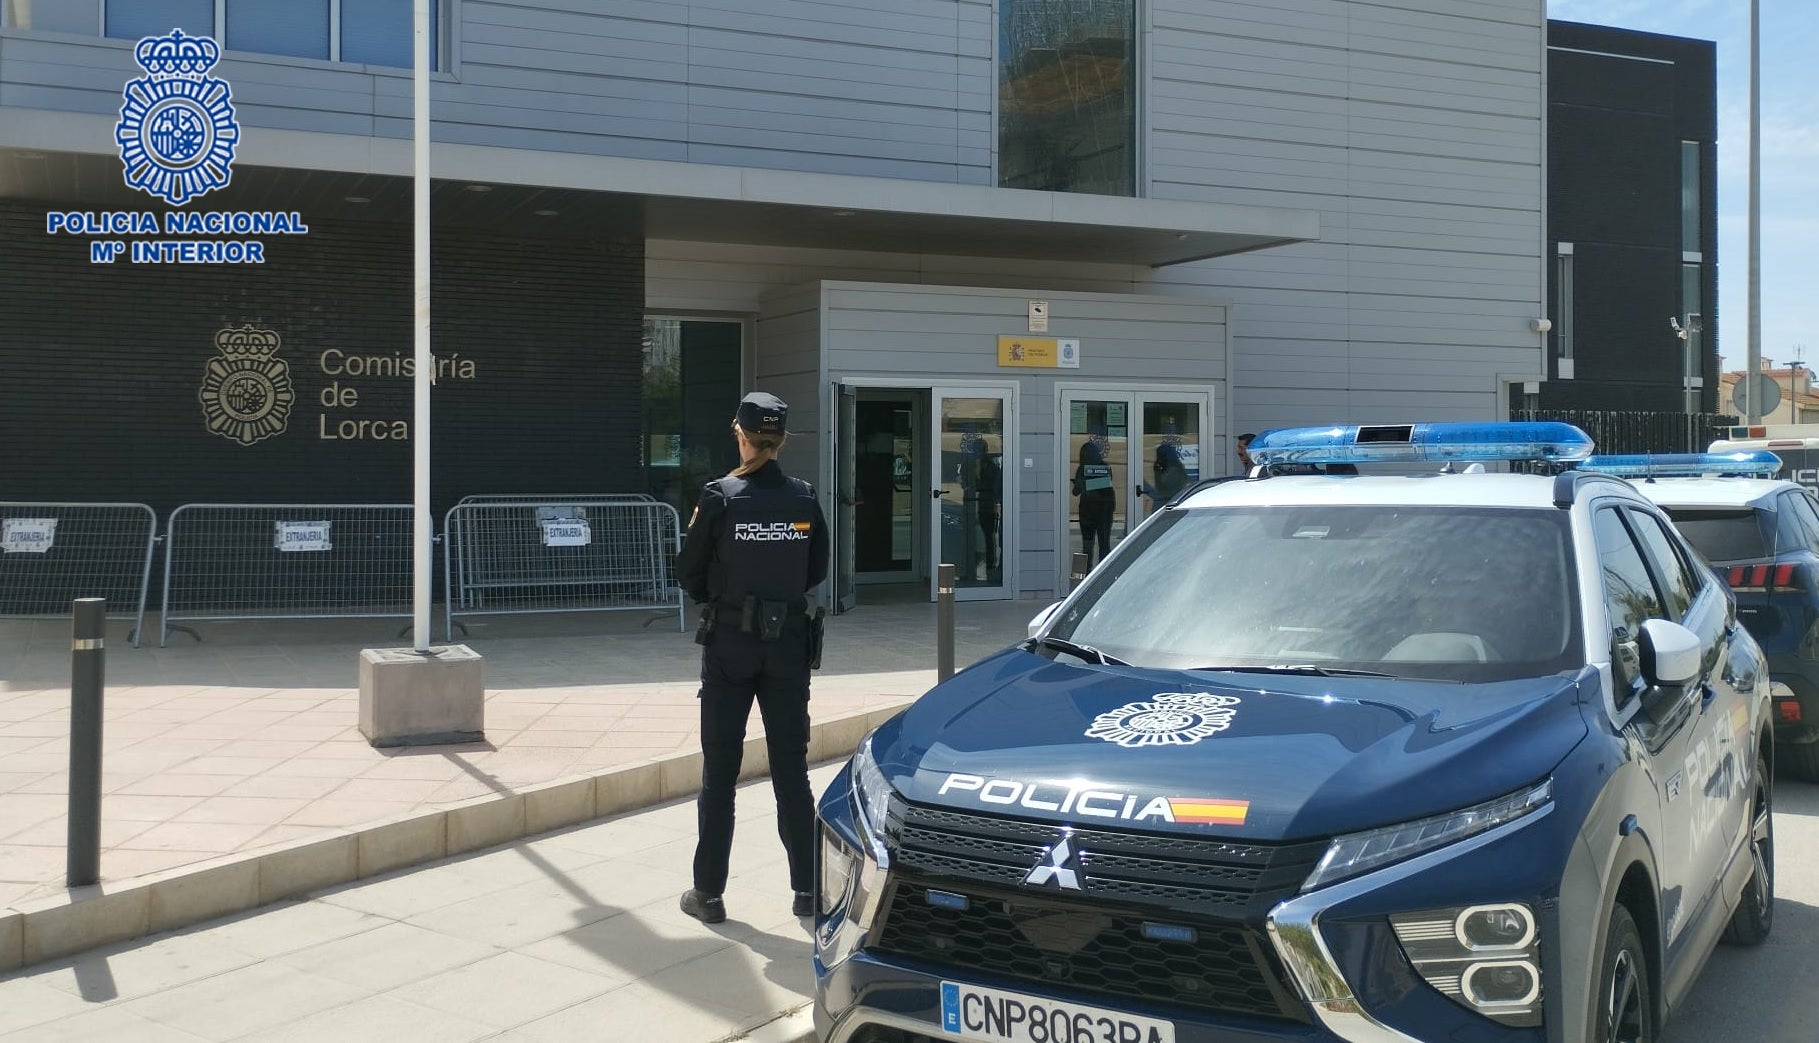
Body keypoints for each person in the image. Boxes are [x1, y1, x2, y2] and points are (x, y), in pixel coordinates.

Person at [674, 391, 830, 925]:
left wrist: (722, 597)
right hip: (787, 644)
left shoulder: (721, 496)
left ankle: (708, 894)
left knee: (720, 773)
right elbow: (816, 570)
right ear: (781, 440)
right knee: (791, 770)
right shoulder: (803, 498)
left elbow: (688, 570)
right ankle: (807, 890)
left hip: (730, 646)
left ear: (740, 435)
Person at [1072, 437, 1116, 566]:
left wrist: (1083, 484)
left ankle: (1082, 575)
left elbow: (1105, 484)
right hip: (1099, 512)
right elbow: (1076, 491)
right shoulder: (1102, 467)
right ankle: (1102, 572)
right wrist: (1084, 485)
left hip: (1093, 511)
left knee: (1088, 547)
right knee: (1101, 546)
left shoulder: (1086, 468)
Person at [1144, 441, 1190, 508]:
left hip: (1169, 501)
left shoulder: (1174, 470)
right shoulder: (1174, 467)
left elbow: (1165, 486)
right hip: (1167, 501)